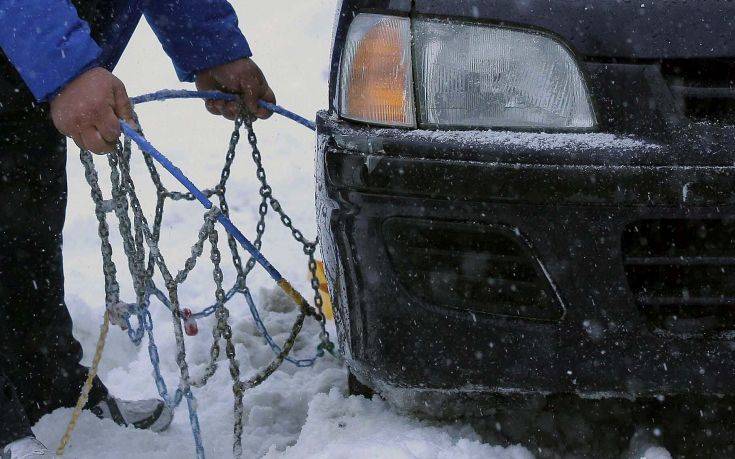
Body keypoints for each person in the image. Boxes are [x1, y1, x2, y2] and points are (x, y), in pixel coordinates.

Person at [0, 1, 275, 457]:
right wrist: (64, 66)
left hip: (20, 71)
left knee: (23, 230)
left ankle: (46, 391)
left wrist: (210, 44)